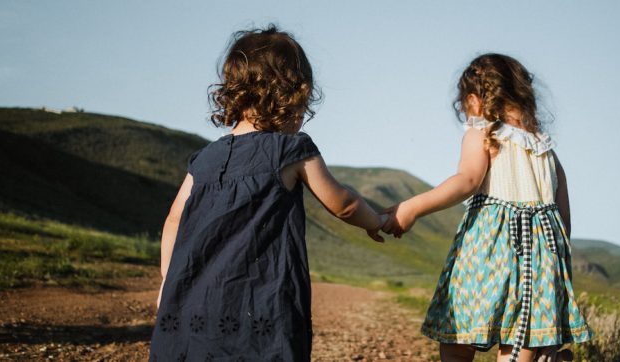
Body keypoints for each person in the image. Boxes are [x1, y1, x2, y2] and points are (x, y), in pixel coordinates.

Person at [149, 25, 386, 361]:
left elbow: (174, 221)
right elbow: (344, 204)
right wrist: (374, 220)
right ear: (293, 95)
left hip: (194, 304)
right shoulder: (290, 151)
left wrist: (168, 282)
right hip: (260, 304)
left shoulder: (204, 159)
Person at [383, 53, 592, 362]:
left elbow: (466, 180)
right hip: (540, 263)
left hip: (489, 254)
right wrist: (556, 282)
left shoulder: (482, 134)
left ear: (474, 100)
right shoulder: (548, 152)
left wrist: (411, 208)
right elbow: (564, 224)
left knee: (459, 340)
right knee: (522, 343)